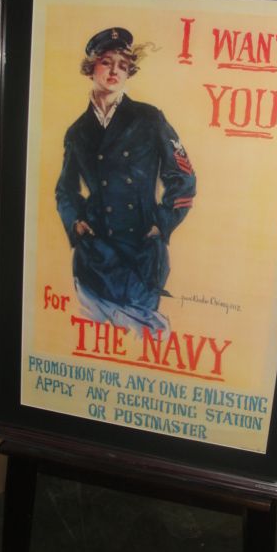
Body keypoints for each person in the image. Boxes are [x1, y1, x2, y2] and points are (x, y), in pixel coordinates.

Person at [56, 27, 196, 336]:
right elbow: (65, 189)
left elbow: (183, 177)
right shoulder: (77, 131)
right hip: (93, 258)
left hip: (140, 254)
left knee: (144, 343)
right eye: (106, 62)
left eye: (123, 64)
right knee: (91, 343)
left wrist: (162, 222)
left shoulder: (149, 118)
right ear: (91, 67)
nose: (114, 71)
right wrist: (76, 223)